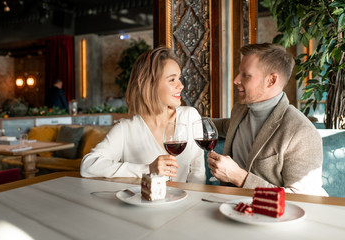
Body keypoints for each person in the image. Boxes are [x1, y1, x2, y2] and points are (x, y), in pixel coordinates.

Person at [208, 43, 328, 196]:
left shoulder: (302, 132)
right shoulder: (241, 109)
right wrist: (184, 116)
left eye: (246, 75)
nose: (236, 80)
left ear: (271, 80)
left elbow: (302, 199)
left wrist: (240, 178)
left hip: (272, 216)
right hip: (229, 207)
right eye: (239, 73)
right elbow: (226, 126)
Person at [80, 47, 205, 183]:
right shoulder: (126, 129)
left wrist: (194, 201)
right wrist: (147, 169)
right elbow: (88, 166)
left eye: (179, 78)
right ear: (150, 84)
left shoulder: (190, 116)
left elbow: (197, 173)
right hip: (145, 203)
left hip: (186, 202)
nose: (181, 86)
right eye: (172, 80)